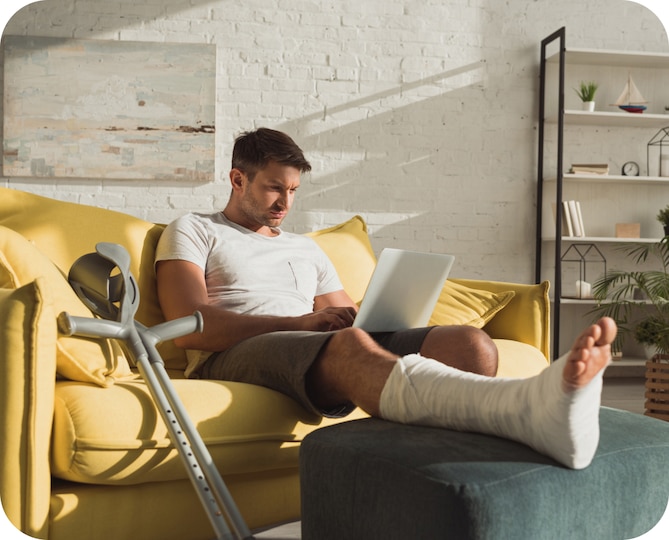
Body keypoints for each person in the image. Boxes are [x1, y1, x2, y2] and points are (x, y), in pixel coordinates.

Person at [155, 127, 616, 470]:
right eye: (274, 187)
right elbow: (191, 327)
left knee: (469, 344)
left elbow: (345, 314)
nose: (285, 203)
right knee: (350, 348)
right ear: (238, 179)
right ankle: (527, 410)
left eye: (293, 190)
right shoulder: (194, 229)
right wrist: (299, 323)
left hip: (303, 345)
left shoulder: (303, 247)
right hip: (232, 353)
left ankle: (451, 468)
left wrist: (365, 314)